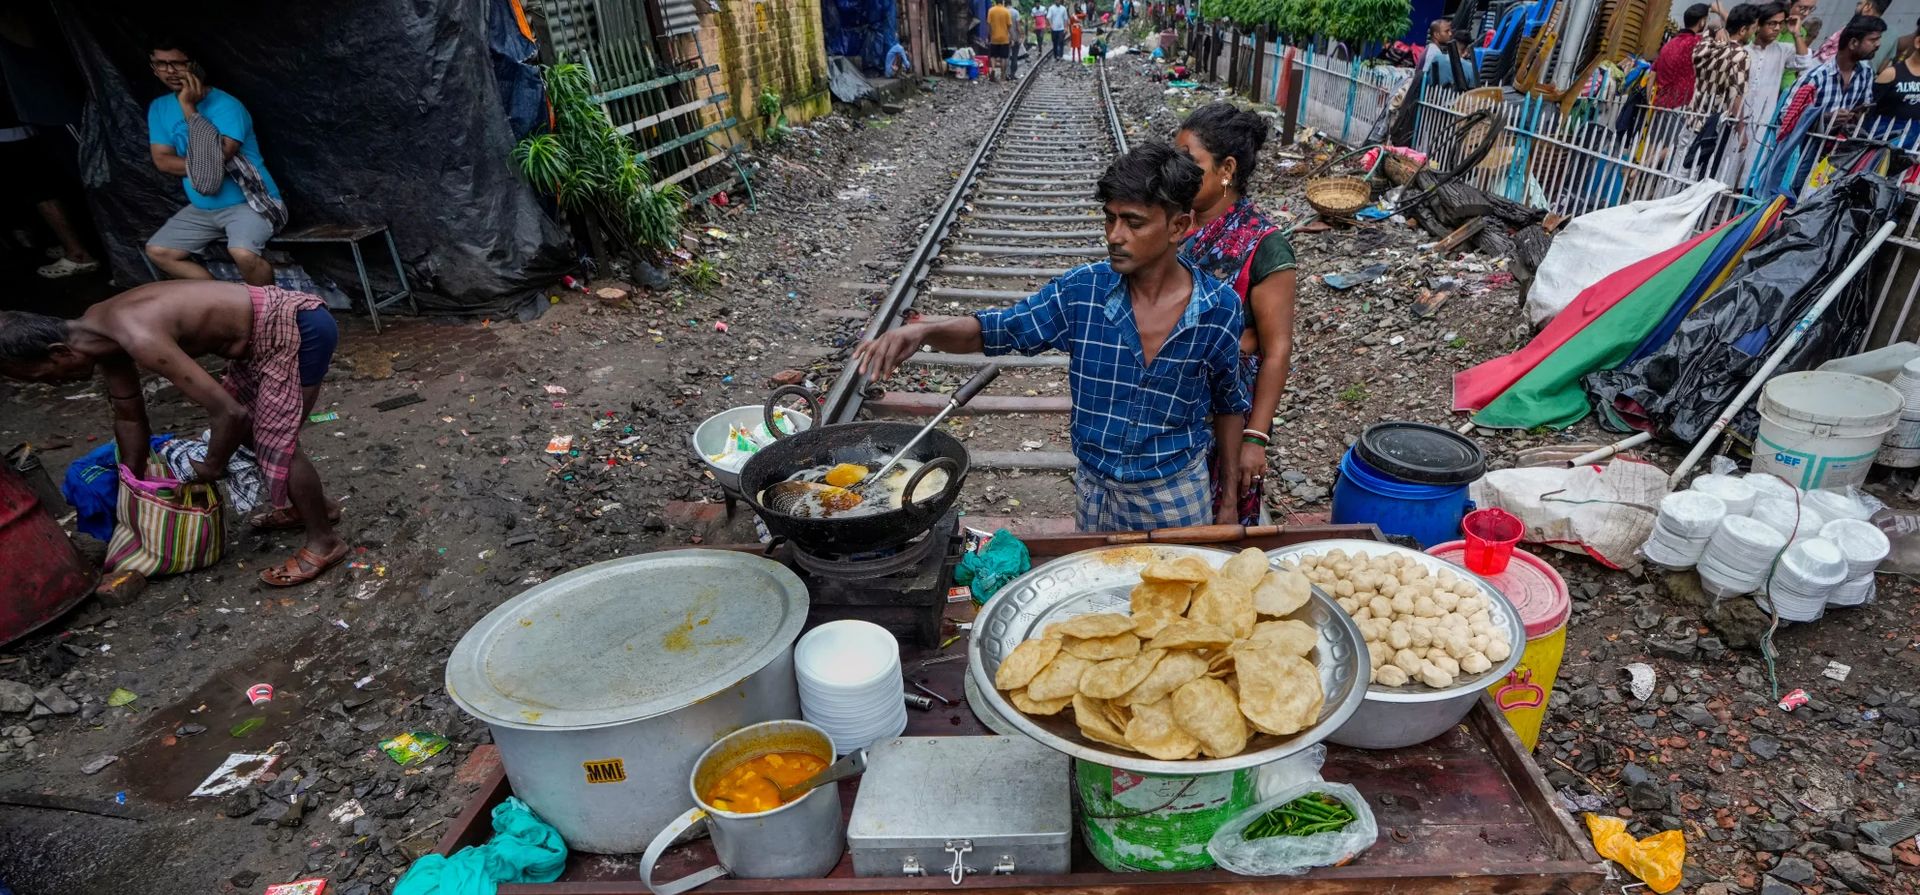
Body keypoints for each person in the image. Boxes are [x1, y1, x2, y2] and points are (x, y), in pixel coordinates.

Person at [851, 144, 1250, 532]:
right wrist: (924, 332)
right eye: (1109, 218)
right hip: (1097, 496)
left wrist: (1229, 498)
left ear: (1177, 226)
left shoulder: (1219, 308)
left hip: (1175, 495)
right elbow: (997, 329)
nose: (1114, 235)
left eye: (1133, 222)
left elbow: (1228, 401)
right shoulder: (1082, 291)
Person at [0, 281, 346, 586]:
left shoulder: (137, 335)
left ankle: (324, 541)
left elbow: (229, 413)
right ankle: (314, 507)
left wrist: (211, 467)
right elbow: (129, 415)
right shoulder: (99, 334)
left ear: (59, 352)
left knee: (273, 440)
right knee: (258, 432)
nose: (52, 384)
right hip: (261, 337)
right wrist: (133, 482)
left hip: (298, 327)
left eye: (44, 376)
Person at [1174, 104, 1295, 527]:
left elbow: (1276, 349)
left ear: (1226, 168)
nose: (1177, 173)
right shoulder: (1168, 226)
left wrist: (1255, 439)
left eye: (1189, 163)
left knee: (1218, 537)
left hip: (1223, 416)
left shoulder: (1263, 245)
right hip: (1164, 415)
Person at [143, 38, 284, 287]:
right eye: (162, 64)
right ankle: (225, 301)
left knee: (243, 254)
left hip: (250, 202)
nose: (170, 71)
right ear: (153, 68)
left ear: (195, 66)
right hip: (202, 209)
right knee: (158, 251)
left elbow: (219, 157)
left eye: (178, 64)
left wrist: (188, 106)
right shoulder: (159, 108)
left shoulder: (227, 105)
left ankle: (267, 314)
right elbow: (163, 161)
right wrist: (203, 166)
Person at [1779, 14, 1885, 136]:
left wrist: (1857, 114)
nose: (1878, 44)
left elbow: (1863, 109)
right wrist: (1823, 118)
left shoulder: (1866, 74)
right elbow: (1785, 117)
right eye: (1873, 40)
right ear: (1853, 43)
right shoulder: (1816, 77)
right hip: (1805, 148)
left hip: (1837, 149)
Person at [1745, 1, 1812, 129]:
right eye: (1772, 23)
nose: (1777, 28)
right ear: (1758, 25)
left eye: (1780, 24)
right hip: (1738, 114)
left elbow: (1805, 62)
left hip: (1763, 118)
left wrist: (1796, 33)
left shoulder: (1783, 50)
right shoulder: (1745, 51)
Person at [1869, 20, 1920, 144]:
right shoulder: (1891, 74)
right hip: (1882, 142)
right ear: (1918, 42)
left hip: (1913, 146)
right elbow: (1869, 110)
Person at [1654, 4, 1714, 109]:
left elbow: (1653, 71)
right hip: (1678, 107)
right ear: (1702, 22)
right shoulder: (1695, 42)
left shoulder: (1668, 44)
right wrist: (1721, 13)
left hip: (1659, 104)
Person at [1814, 0, 1889, 62]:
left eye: (1859, 4)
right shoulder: (1874, 34)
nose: (1856, 7)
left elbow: (1825, 61)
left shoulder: (1856, 33)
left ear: (1867, 7)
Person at [1419, 19, 1476, 90]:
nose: (1450, 34)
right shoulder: (1434, 54)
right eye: (1446, 31)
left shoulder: (1435, 52)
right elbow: (1424, 80)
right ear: (1436, 35)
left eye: (1450, 31)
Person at [988, 0, 1015, 81]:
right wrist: (1012, 37)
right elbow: (1009, 26)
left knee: (993, 56)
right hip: (1004, 38)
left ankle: (993, 69)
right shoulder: (1006, 11)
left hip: (994, 38)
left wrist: (990, 34)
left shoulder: (991, 10)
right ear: (1002, 2)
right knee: (1004, 57)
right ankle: (1002, 74)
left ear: (996, 2)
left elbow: (989, 24)